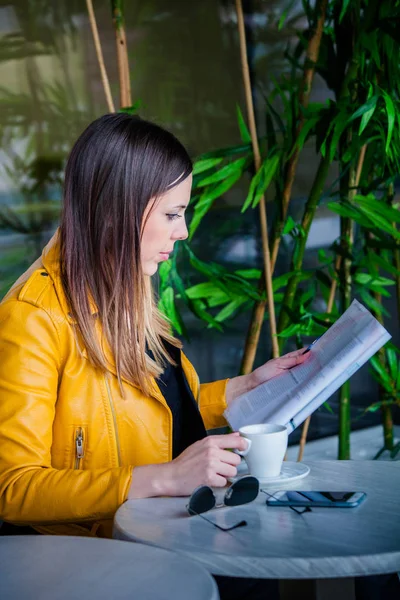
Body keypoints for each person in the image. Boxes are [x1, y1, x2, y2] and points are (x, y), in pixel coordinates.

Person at [0, 113, 307, 598]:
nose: (182, 232)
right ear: (116, 210)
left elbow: (148, 411)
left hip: (162, 527)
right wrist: (165, 478)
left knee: (264, 571)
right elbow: (13, 489)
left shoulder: (128, 287)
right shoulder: (33, 317)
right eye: (171, 214)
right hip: (94, 556)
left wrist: (243, 388)